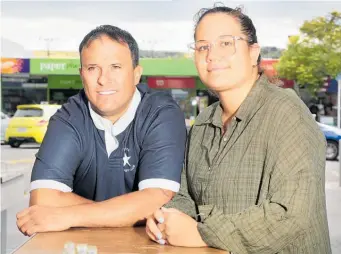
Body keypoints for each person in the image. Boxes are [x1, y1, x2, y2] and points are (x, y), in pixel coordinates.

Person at [146, 5, 332, 253]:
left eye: (225, 43)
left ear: (254, 52)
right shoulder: (202, 123)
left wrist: (202, 234)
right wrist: (165, 219)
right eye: (203, 46)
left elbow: (290, 214)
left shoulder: (286, 113)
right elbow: (186, 195)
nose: (211, 55)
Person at [16, 25, 187, 236]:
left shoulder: (160, 113)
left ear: (136, 74)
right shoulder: (69, 117)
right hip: (81, 246)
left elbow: (158, 200)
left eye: (115, 67)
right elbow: (43, 201)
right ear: (81, 75)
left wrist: (68, 216)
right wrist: (123, 212)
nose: (103, 79)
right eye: (92, 68)